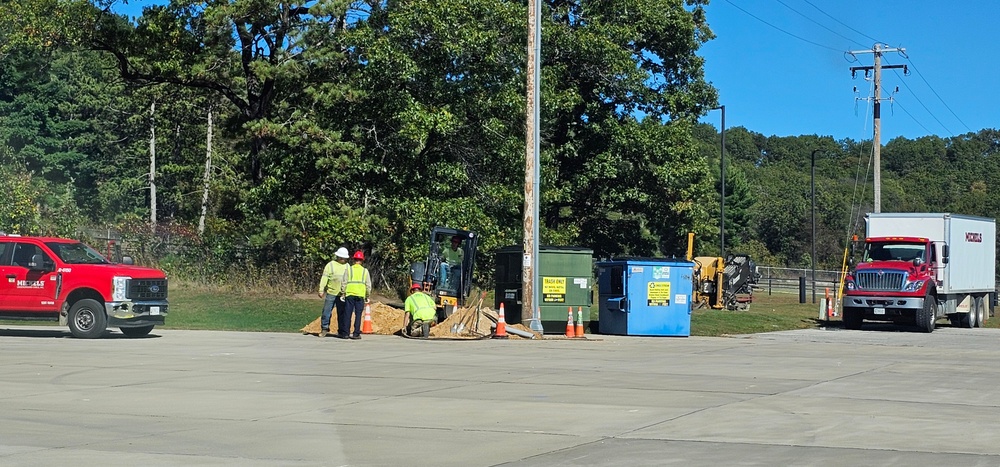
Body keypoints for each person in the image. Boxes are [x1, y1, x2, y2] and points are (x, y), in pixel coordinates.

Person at [316, 247, 350, 338]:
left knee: (342, 313)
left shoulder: (348, 266)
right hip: (331, 292)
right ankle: (324, 328)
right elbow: (324, 277)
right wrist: (321, 289)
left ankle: (342, 331)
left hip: (342, 294)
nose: (342, 259)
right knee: (326, 312)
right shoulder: (330, 265)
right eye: (341, 257)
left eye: (344, 258)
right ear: (337, 256)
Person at [339, 250, 372, 339]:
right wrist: (367, 295)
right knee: (358, 315)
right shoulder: (365, 271)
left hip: (349, 294)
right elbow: (368, 285)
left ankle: (346, 333)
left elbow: (344, 282)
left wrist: (343, 293)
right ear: (362, 260)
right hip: (360, 295)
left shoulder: (349, 269)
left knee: (347, 314)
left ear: (354, 260)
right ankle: (356, 333)